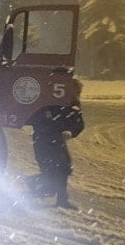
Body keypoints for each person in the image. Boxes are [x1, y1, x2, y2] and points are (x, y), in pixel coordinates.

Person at [25, 78, 85, 209]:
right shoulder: (49, 102)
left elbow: (79, 124)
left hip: (54, 141)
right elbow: (37, 119)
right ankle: (32, 189)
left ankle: (60, 199)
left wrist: (70, 132)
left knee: (62, 169)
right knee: (53, 173)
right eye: (77, 92)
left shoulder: (69, 104)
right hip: (45, 141)